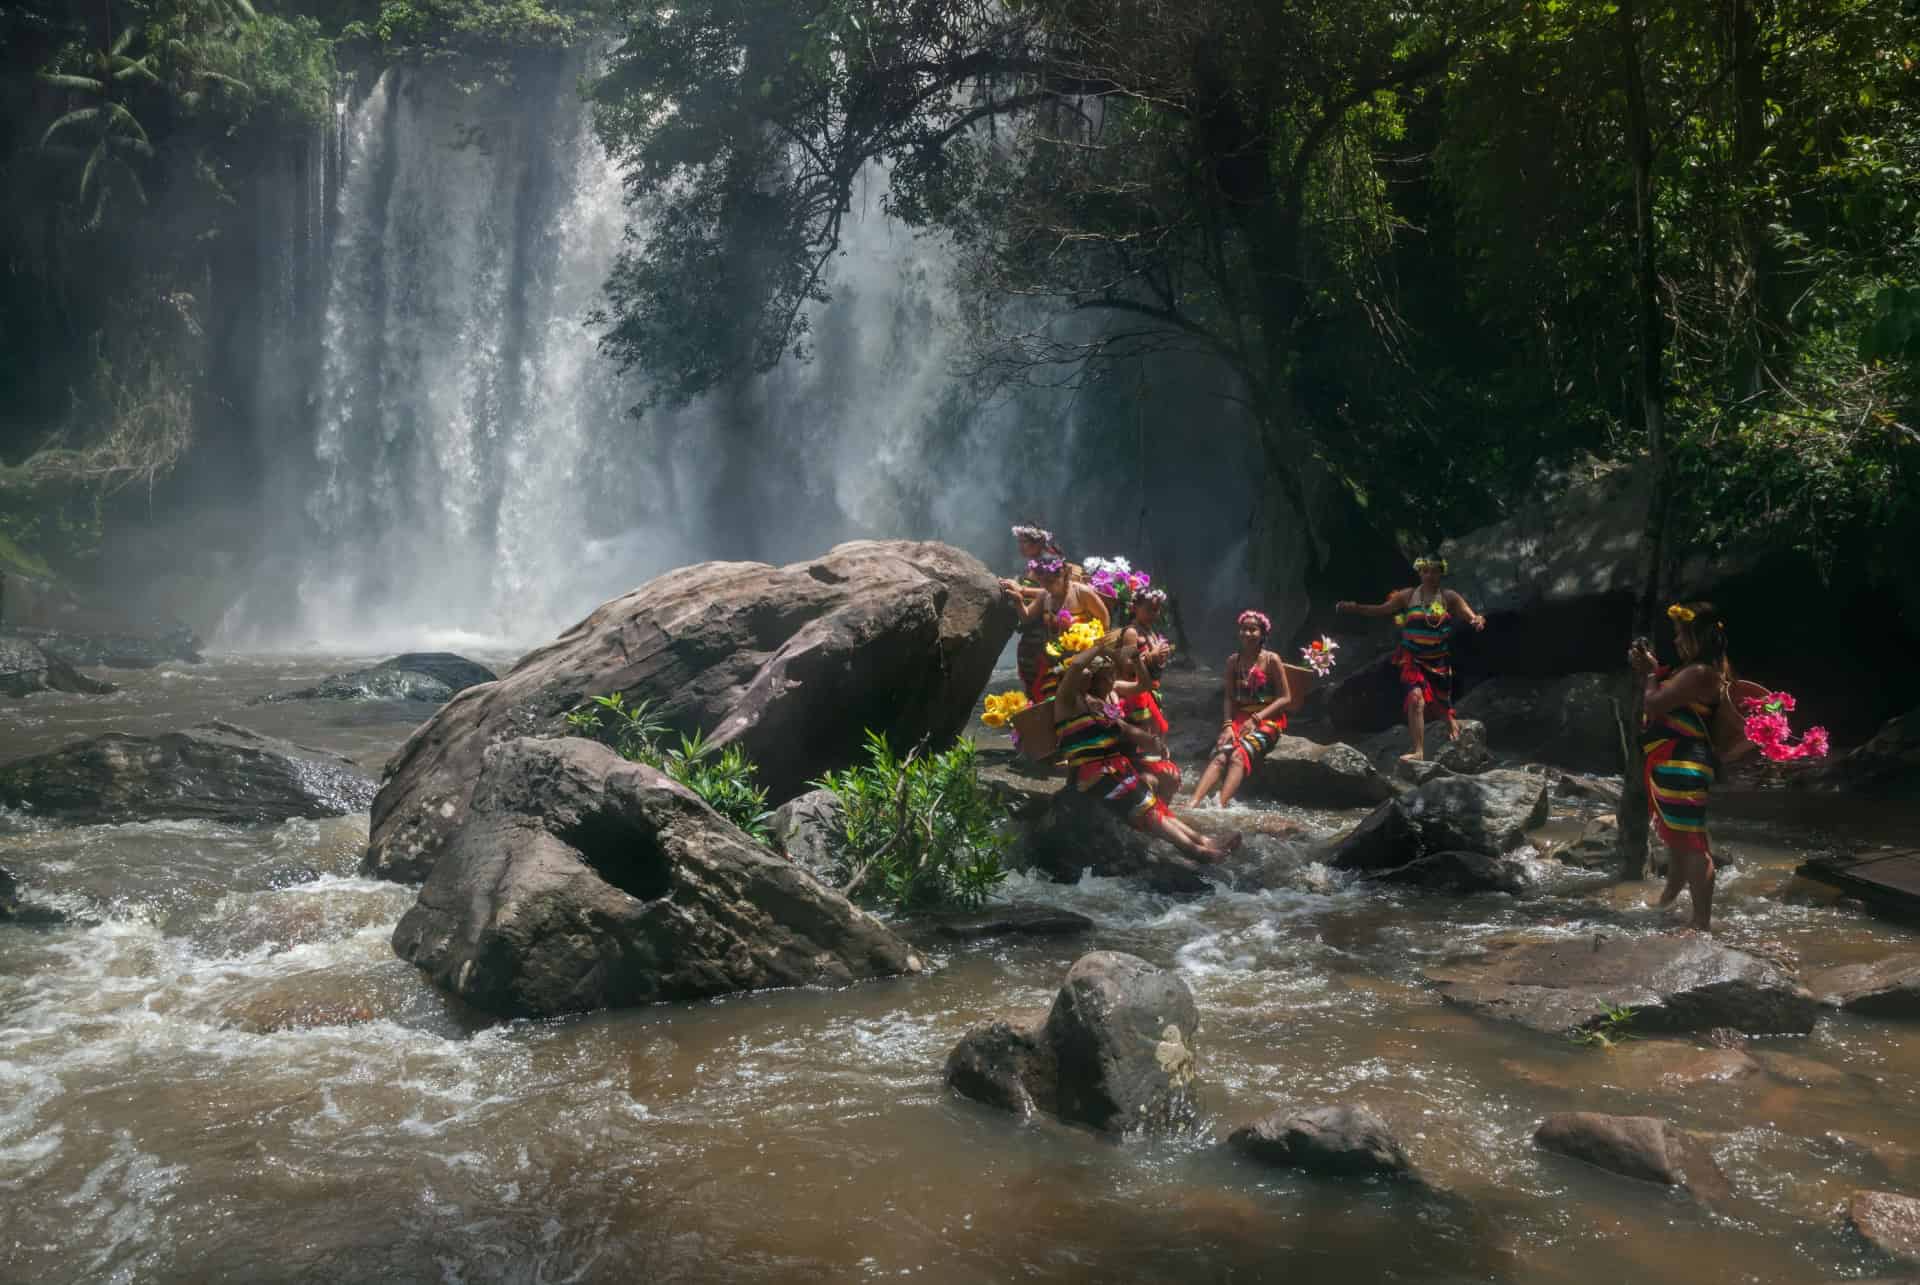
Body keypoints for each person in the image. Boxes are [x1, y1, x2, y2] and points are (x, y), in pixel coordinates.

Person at [1053, 632, 1240, 862]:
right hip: (1092, 774)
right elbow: (1078, 664)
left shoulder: (1095, 703)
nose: (1087, 674)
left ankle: (1203, 840)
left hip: (1114, 769)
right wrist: (1102, 648)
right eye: (1085, 672)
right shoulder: (1065, 701)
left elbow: (1125, 729)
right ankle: (1197, 852)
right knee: (1145, 809)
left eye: (1090, 673)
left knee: (1155, 805)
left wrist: (1153, 742)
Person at [1630, 601, 1742, 932]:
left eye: (1681, 634)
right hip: (1679, 760)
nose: (1676, 641)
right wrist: (1650, 671)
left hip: (1683, 761)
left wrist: (1651, 673)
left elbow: (1654, 703)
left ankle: (1701, 922)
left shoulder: (1699, 673)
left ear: (1697, 637)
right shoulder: (1705, 672)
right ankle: (1668, 898)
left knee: (1693, 843)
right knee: (1680, 840)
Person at [1335, 556, 1486, 761]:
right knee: (1416, 699)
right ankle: (1418, 751)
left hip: (1438, 661)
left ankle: (1452, 724)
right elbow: (1380, 610)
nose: (1430, 576)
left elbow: (1470, 615)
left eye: (1434, 571)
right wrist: (1356, 608)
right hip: (1412, 658)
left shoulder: (1449, 597)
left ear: (1441, 573)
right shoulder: (1408, 596)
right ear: (1420, 573)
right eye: (1425, 571)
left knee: (1441, 704)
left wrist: (1476, 620)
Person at [1187, 610, 1291, 808]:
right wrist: (1227, 725)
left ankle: (1220, 805)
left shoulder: (1272, 660)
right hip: (1240, 719)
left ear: (1263, 634)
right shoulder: (1233, 661)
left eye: (1253, 630)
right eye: (1244, 629)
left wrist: (1257, 719)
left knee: (1238, 754)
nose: (1247, 634)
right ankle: (1192, 804)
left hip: (1269, 719)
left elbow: (1286, 698)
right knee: (1220, 754)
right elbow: (1228, 697)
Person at [1002, 553, 1109, 703]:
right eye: (1043, 581)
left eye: (1051, 581)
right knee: (1049, 698)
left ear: (1064, 574)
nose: (1047, 586)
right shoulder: (1045, 596)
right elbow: (1026, 617)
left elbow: (1105, 622)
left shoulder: (1081, 592)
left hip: (1087, 659)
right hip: (1055, 661)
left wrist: (1089, 644)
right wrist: (1019, 601)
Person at [1114, 587, 1179, 798]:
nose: (1154, 613)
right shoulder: (1131, 632)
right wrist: (1152, 656)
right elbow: (1125, 665)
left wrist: (1160, 655)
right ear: (1134, 608)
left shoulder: (1149, 631)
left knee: (1154, 740)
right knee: (1141, 744)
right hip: (1135, 696)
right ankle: (1140, 791)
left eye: (1157, 609)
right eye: (1150, 608)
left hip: (1151, 694)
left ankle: (1154, 794)